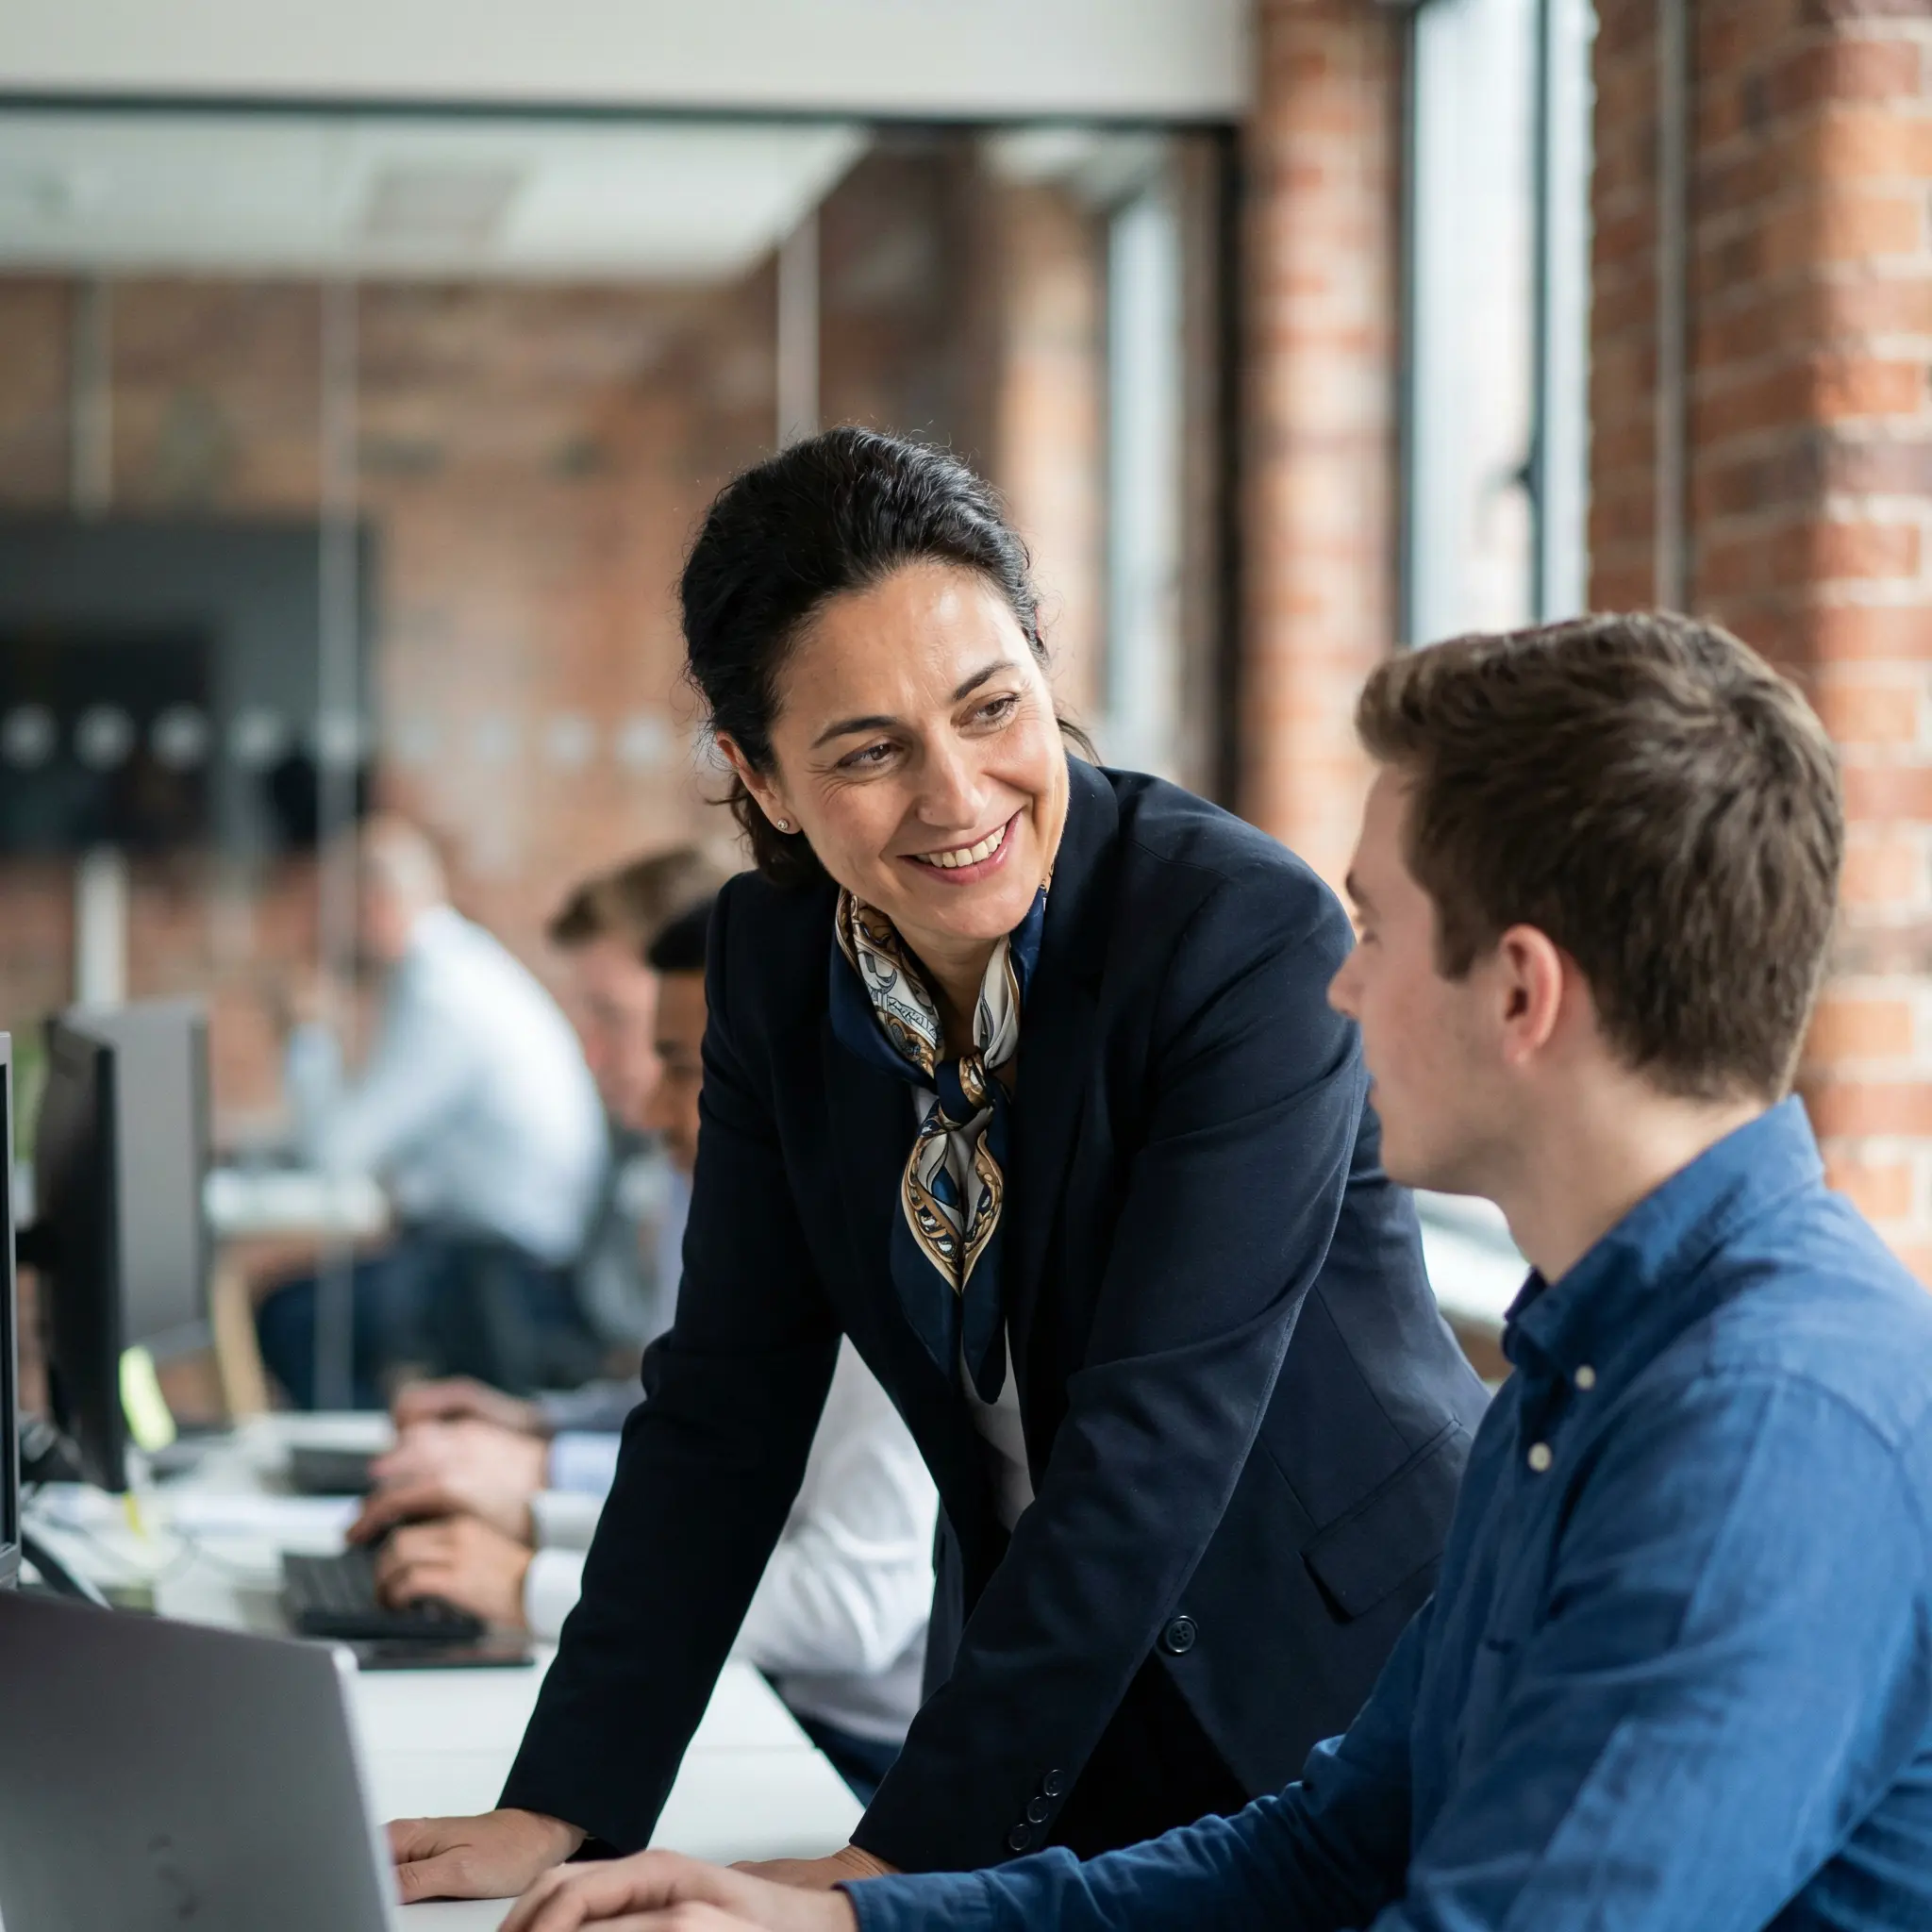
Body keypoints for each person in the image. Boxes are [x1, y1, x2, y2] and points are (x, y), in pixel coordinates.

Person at [505, 610, 1932, 1932]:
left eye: (1374, 930)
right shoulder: (1597, 1358)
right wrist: (850, 1921)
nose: (1338, 983)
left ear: (1518, 992)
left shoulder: (1772, 1422)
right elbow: (1320, 1844)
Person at [385, 427, 1488, 1907]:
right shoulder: (771, 968)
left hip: (1332, 1682)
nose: (959, 796)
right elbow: (724, 1405)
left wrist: (888, 1868)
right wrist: (566, 1801)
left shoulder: (1237, 940)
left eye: (990, 709)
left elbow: (1151, 1450)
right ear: (759, 779)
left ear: (1041, 661)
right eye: (868, 752)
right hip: (1035, 1696)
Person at [353, 897, 942, 1806]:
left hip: (856, 1759)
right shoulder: (787, 1248)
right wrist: (533, 1525)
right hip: (794, 1707)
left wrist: (530, 1573)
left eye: (687, 1068)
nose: (655, 1106)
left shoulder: (889, 1269)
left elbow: (849, 1607)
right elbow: (723, 1509)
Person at [256, 815, 607, 1407]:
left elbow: (336, 1150)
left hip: (506, 1273)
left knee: (292, 1319)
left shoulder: (442, 991)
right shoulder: (453, 967)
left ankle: (365, 1472)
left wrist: (308, 1035)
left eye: (335, 911)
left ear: (374, 905)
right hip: (491, 1256)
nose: (326, 933)